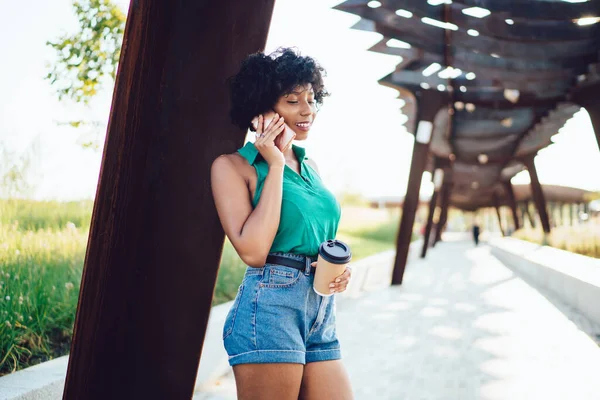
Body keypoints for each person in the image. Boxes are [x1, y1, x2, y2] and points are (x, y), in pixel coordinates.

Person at [210, 48, 354, 400]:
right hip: (270, 309)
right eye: (293, 101)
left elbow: (316, 238)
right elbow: (255, 251)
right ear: (261, 108)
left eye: (311, 98)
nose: (308, 110)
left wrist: (335, 270)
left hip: (320, 311)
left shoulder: (311, 168)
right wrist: (273, 164)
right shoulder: (233, 168)